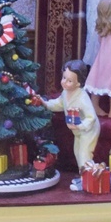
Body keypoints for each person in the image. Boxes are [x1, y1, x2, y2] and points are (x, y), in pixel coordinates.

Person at [44, 59, 100, 190]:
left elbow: (91, 117)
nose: (64, 82)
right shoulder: (66, 93)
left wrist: (79, 126)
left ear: (78, 83)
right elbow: (59, 104)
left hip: (88, 131)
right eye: (64, 78)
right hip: (78, 131)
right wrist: (45, 104)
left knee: (84, 154)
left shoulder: (82, 97)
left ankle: (88, 180)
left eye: (69, 81)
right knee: (78, 152)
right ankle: (84, 177)